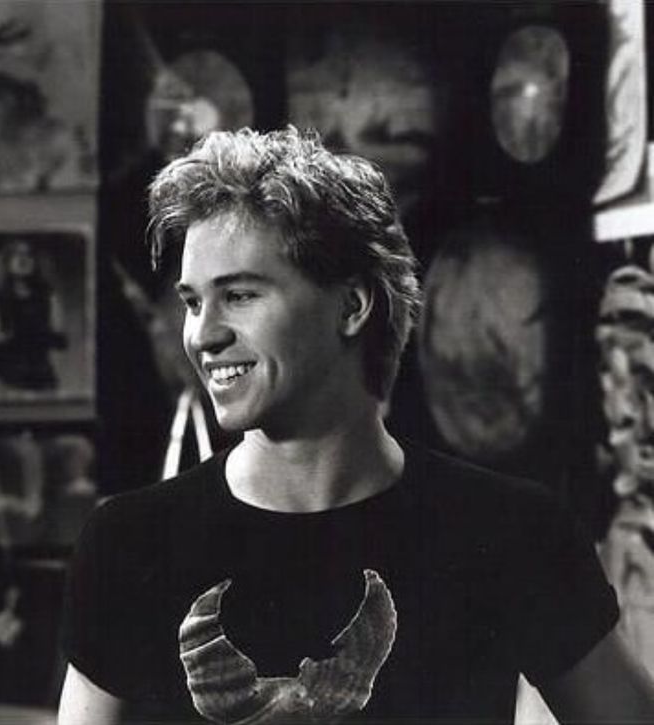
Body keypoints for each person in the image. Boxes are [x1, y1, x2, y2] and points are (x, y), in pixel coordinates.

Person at [58, 127, 654, 724]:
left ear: (352, 306)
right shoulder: (128, 545)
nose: (204, 335)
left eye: (238, 295)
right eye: (193, 302)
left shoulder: (512, 532)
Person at [0, 238, 68, 391]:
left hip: (42, 373)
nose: (23, 259)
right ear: (6, 261)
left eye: (29, 255)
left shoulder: (47, 294)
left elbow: (59, 337)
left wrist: (50, 336)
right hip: (8, 374)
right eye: (16, 255)